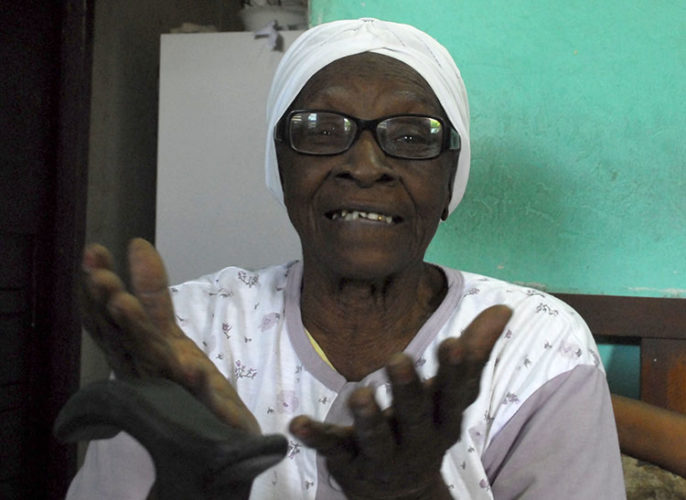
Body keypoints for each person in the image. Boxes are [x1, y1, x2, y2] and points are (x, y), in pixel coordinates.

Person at [68, 18, 625, 499]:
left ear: (451, 176)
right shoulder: (189, 332)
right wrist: (194, 482)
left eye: (410, 136)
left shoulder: (537, 346)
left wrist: (413, 493)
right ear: (279, 165)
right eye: (321, 129)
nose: (364, 165)